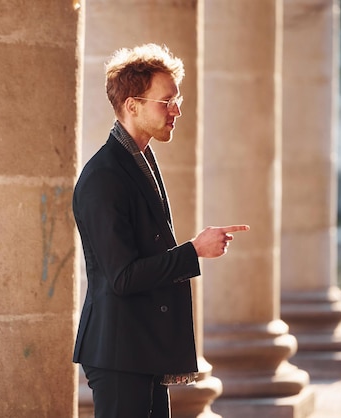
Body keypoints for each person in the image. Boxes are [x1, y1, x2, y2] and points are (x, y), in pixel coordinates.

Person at [72, 43, 249, 418]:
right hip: (120, 353)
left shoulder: (139, 161)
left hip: (141, 348)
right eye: (166, 101)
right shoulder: (103, 177)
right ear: (132, 105)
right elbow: (122, 276)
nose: (177, 109)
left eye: (177, 98)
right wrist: (193, 251)